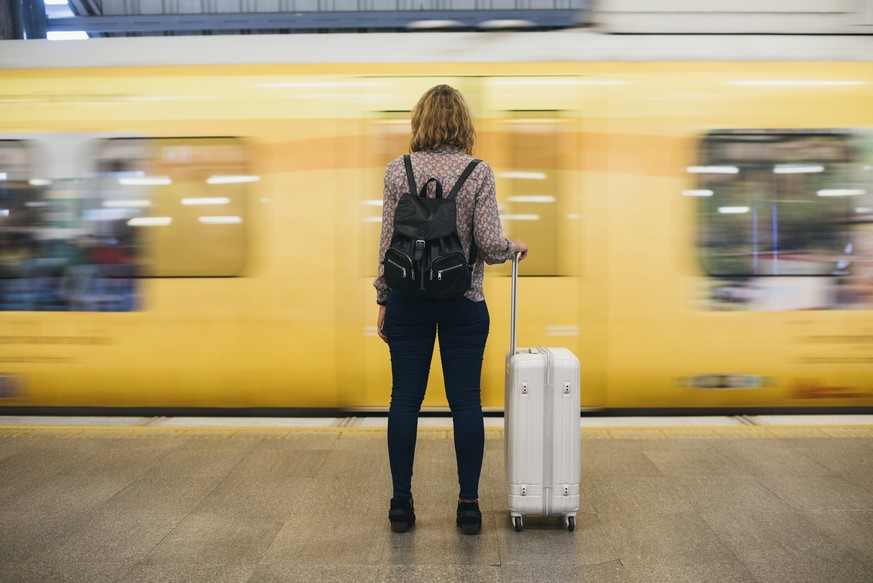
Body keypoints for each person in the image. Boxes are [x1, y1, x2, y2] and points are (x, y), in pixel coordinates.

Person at [373, 84, 528, 535]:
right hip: (463, 303)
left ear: (419, 122)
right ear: (463, 123)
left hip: (407, 302)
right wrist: (513, 247)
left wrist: (384, 297)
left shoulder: (396, 172)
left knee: (404, 401)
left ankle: (401, 505)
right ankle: (468, 505)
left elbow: (386, 245)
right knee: (466, 403)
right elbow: (489, 244)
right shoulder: (478, 172)